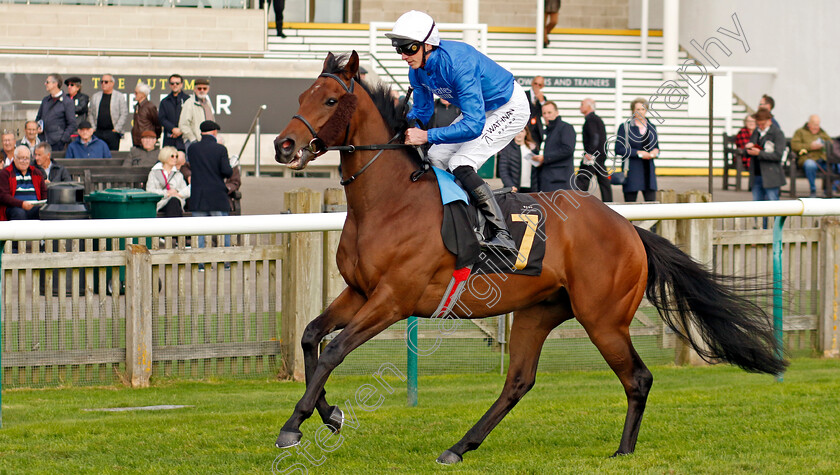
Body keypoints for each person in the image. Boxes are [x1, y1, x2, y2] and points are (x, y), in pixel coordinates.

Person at [386, 10, 530, 255]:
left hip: (509, 106)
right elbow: (422, 110)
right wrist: (401, 131)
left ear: (427, 45)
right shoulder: (417, 69)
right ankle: (452, 218)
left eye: (408, 48)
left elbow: (473, 126)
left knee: (461, 162)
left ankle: (502, 234)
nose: (403, 56)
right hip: (480, 109)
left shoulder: (458, 63)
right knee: (435, 158)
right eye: (397, 48)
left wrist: (427, 136)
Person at [188, 120, 232, 252]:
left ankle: (200, 263)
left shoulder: (192, 149)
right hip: (216, 196)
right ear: (214, 132)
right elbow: (227, 172)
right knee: (222, 230)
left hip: (198, 196)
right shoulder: (220, 149)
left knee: (199, 232)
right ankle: (225, 260)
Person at [615, 98, 660, 202]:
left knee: (652, 206)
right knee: (630, 205)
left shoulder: (652, 127)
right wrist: (638, 153)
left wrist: (655, 152)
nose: (640, 112)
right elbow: (619, 149)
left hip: (649, 172)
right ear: (633, 111)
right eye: (637, 109)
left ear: (646, 111)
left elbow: (657, 146)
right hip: (632, 171)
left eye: (642, 109)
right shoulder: (625, 127)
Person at [532, 101, 575, 192]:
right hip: (547, 179)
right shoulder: (547, 130)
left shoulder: (565, 127)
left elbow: (568, 149)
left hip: (560, 181)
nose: (546, 116)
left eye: (549, 112)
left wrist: (545, 158)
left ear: (557, 113)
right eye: (544, 113)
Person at [575, 98, 612, 201]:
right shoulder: (597, 119)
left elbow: (595, 136)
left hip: (593, 156)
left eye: (582, 104)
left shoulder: (590, 120)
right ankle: (609, 204)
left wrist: (590, 153)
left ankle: (578, 201)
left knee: (582, 179)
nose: (580, 107)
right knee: (603, 181)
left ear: (589, 106)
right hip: (600, 156)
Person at [746, 109, 786, 202]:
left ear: (769, 121)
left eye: (762, 124)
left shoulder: (777, 133)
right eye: (758, 124)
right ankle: (761, 218)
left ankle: (774, 218)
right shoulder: (756, 132)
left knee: (772, 202)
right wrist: (749, 149)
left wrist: (759, 153)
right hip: (756, 173)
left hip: (771, 175)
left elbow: (778, 155)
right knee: (757, 204)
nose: (760, 126)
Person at [791, 114, 834, 198]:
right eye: (814, 125)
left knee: (835, 165)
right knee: (810, 165)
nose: (816, 127)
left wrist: (824, 144)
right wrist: (810, 146)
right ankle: (813, 190)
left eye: (818, 124)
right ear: (809, 124)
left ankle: (830, 190)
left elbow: (830, 143)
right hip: (807, 158)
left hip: (822, 159)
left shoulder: (822, 132)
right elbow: (794, 145)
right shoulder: (800, 132)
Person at [0, 146, 47, 221]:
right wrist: (21, 204)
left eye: (27, 158)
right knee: (19, 213)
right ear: (14, 158)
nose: (24, 161)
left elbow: (44, 193)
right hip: (14, 207)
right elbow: (3, 196)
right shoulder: (6, 173)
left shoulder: (36, 173)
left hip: (34, 207)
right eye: (21, 158)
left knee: (44, 211)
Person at [35, 73, 76, 151]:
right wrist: (38, 126)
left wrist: (62, 139)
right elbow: (38, 118)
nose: (45, 84)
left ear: (55, 84)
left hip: (58, 144)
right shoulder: (45, 100)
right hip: (43, 141)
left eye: (47, 82)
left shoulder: (67, 102)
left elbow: (72, 124)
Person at [146, 146, 190, 217]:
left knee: (174, 201)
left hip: (176, 201)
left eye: (176, 156)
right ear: (165, 156)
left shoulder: (178, 174)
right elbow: (150, 190)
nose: (175, 158)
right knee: (173, 202)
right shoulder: (154, 173)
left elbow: (183, 190)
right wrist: (167, 193)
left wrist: (176, 193)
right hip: (160, 203)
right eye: (172, 156)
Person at [88, 73, 129, 150]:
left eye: (106, 82)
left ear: (112, 83)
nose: (103, 84)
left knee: (112, 156)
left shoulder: (119, 96)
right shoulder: (96, 96)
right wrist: (93, 128)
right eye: (102, 82)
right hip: (98, 132)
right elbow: (90, 113)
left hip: (113, 133)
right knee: (97, 155)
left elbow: (124, 114)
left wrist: (116, 129)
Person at [498, 127, 537, 193]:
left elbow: (536, 171)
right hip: (514, 189)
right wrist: (510, 186)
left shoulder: (532, 149)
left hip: (530, 189)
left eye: (521, 131)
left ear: (526, 133)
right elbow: (503, 170)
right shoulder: (507, 149)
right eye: (517, 131)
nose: (519, 134)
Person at [179, 78, 214, 150]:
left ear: (208, 89)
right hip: (193, 143)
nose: (202, 90)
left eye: (204, 88)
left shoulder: (208, 103)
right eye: (199, 88)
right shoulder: (189, 103)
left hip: (207, 142)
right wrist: (193, 139)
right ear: (194, 89)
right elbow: (183, 124)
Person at [159, 74, 190, 151]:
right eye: (172, 83)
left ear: (182, 84)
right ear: (169, 85)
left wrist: (181, 130)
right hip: (170, 138)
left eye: (177, 83)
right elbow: (162, 119)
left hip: (185, 138)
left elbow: (191, 118)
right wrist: (173, 129)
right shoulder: (165, 101)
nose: (175, 85)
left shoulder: (189, 100)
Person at [131, 81, 161, 149]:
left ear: (143, 94)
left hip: (147, 140)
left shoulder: (150, 106)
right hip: (137, 141)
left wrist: (155, 137)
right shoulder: (137, 106)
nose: (134, 94)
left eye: (136, 93)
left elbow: (157, 124)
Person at [525, 76, 546, 151]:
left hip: (536, 132)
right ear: (532, 83)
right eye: (535, 83)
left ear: (542, 86)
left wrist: (541, 101)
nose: (537, 86)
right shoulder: (524, 94)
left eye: (539, 85)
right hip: (525, 129)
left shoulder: (543, 98)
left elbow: (544, 113)